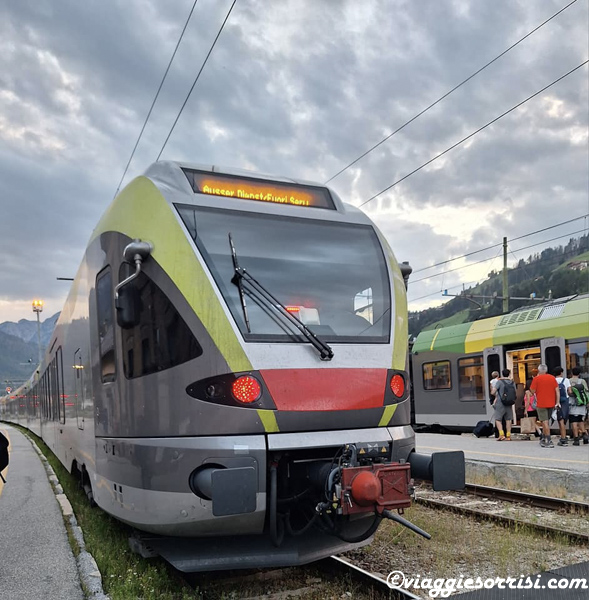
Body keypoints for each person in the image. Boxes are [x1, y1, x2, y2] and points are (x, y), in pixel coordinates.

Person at [530, 364, 560, 448]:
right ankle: (543, 438)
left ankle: (548, 440)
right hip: (551, 403)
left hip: (541, 404)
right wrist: (557, 402)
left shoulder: (536, 379)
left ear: (538, 371)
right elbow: (557, 391)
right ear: (546, 370)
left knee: (544, 422)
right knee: (547, 421)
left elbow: (532, 391)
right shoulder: (552, 378)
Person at [491, 369, 514, 441]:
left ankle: (501, 435)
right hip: (509, 403)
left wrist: (496, 393)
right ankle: (508, 436)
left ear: (502, 374)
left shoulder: (499, 382)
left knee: (498, 419)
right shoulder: (512, 382)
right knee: (508, 419)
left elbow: (493, 392)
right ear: (509, 374)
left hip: (500, 403)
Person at [569, 366, 589, 446]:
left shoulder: (569, 381)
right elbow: (586, 391)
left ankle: (576, 439)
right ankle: (585, 435)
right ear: (579, 374)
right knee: (580, 420)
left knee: (574, 421)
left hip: (573, 404)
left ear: (571, 373)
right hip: (581, 404)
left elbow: (568, 392)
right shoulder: (582, 381)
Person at [553, 366, 571, 446]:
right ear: (561, 373)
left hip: (556, 401)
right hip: (565, 401)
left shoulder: (553, 380)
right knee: (562, 420)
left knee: (560, 420)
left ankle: (562, 437)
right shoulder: (566, 380)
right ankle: (563, 438)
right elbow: (569, 391)